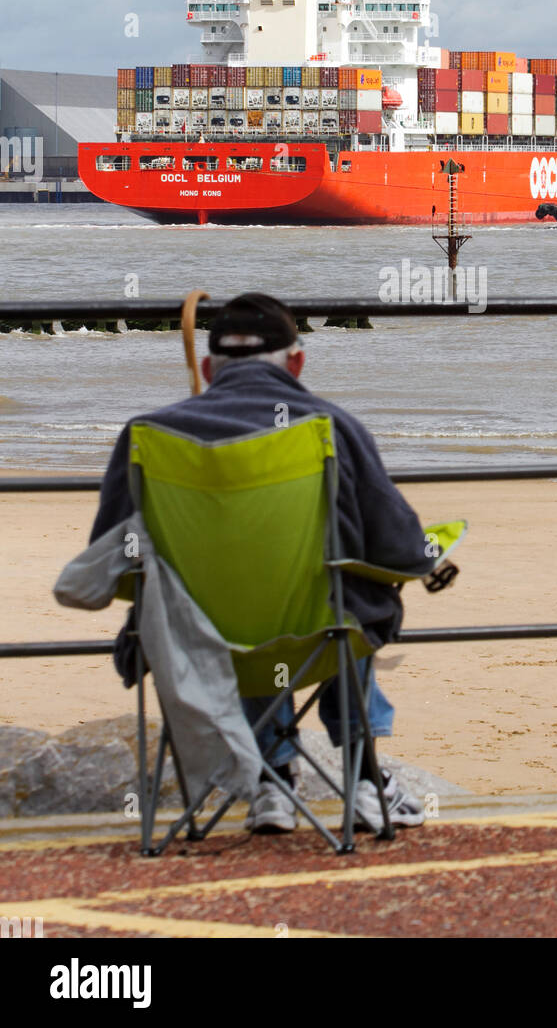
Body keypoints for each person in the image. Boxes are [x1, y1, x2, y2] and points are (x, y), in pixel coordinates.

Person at [91, 293, 433, 836]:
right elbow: (401, 550)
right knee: (348, 588)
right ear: (297, 363)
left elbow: (112, 556)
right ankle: (365, 780)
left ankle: (272, 781)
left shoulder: (146, 435)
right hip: (318, 640)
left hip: (195, 645)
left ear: (207, 369)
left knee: (234, 596)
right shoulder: (331, 428)